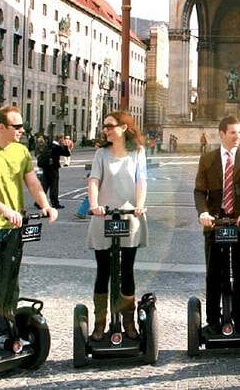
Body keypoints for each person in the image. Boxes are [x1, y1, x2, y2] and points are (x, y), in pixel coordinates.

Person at [0, 106, 58, 341]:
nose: (22, 130)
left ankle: (5, 333)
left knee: (9, 283)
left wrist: (45, 205)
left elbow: (33, 182)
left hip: (15, 226)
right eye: (17, 126)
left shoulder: (21, 152)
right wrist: (4, 209)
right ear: (1, 128)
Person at [194, 115, 240, 334]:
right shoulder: (207, 159)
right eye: (233, 133)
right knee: (214, 272)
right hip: (215, 222)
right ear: (222, 134)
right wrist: (203, 212)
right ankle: (213, 320)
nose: (237, 137)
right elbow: (199, 191)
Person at [86, 111, 149, 341]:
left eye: (110, 126)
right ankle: (100, 321)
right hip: (104, 216)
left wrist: (139, 205)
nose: (106, 130)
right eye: (105, 127)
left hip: (128, 215)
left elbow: (141, 179)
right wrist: (94, 204)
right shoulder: (101, 154)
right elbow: (94, 180)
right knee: (103, 271)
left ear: (123, 127)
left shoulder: (137, 152)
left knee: (127, 270)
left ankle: (129, 321)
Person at [39, 135, 70, 209]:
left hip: (45, 167)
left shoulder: (49, 145)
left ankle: (38, 202)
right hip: (53, 168)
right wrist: (65, 145)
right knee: (54, 186)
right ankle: (55, 203)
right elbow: (67, 154)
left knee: (45, 185)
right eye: (62, 140)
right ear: (60, 140)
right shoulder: (57, 147)